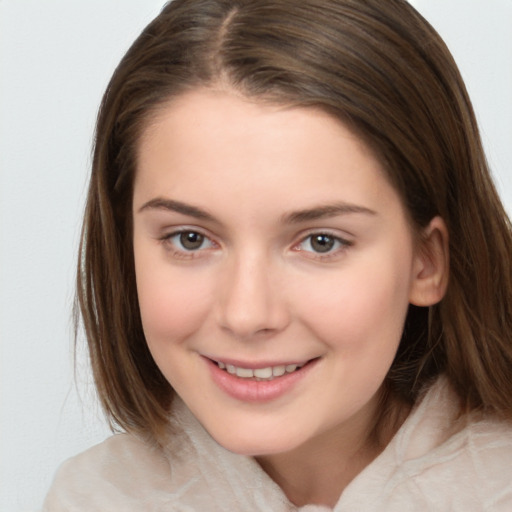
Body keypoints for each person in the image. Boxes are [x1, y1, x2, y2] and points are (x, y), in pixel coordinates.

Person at [43, 0, 512, 510]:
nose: (247, 315)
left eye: (321, 242)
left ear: (427, 261)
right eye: (190, 239)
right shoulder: (93, 497)